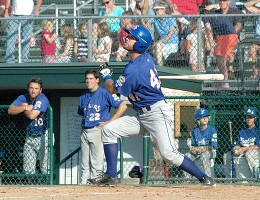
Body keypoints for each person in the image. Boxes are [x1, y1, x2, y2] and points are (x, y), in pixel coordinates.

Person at [88, 25, 216, 186]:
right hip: (142, 114)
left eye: (131, 37)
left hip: (156, 113)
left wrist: (106, 75)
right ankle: (111, 176)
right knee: (108, 130)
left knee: (169, 154)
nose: (126, 38)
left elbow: (112, 88)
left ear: (140, 44)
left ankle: (204, 178)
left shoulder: (136, 68)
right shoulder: (144, 59)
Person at [78, 69, 127, 185]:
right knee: (84, 162)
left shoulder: (105, 93)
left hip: (97, 129)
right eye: (87, 79)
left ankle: (95, 186)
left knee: (96, 162)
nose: (88, 81)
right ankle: (83, 185)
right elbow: (82, 113)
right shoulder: (83, 96)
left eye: (91, 79)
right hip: (84, 129)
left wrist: (109, 121)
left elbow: (122, 105)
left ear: (97, 80)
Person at [8, 77, 50, 176]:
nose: (33, 90)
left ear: (40, 90)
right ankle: (32, 188)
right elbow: (10, 110)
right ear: (28, 88)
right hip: (30, 135)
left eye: (36, 88)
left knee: (45, 167)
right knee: (28, 169)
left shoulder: (42, 98)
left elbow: (32, 115)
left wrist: (24, 109)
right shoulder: (23, 97)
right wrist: (24, 107)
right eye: (31, 88)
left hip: (44, 135)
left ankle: (49, 187)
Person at [203, 0, 243, 88]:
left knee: (223, 58)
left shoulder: (234, 11)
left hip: (230, 37)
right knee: (219, 59)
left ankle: (225, 83)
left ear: (228, 1)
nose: (221, 2)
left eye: (224, 1)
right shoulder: (214, 13)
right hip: (220, 38)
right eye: (220, 1)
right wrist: (212, 44)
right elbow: (209, 29)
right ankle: (223, 81)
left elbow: (239, 25)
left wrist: (229, 34)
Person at [223, 106, 259, 179]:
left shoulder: (258, 130)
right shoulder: (242, 131)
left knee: (249, 154)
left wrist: (244, 149)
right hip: (243, 151)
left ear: (255, 118)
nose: (248, 119)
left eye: (250, 117)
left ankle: (256, 177)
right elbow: (237, 144)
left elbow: (258, 146)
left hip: (254, 152)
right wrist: (237, 149)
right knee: (226, 155)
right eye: (246, 117)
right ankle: (230, 179)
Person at [184, 108, 218, 179]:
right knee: (186, 157)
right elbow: (193, 145)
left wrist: (204, 149)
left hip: (210, 151)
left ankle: (208, 178)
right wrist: (194, 149)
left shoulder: (212, 129)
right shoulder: (195, 130)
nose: (205, 119)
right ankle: (187, 180)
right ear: (198, 120)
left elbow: (213, 146)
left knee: (204, 156)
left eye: (206, 117)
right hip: (198, 151)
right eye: (202, 117)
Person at [152, 1, 179, 66]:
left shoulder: (170, 18)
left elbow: (170, 35)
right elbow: (156, 35)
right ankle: (160, 65)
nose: (156, 11)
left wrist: (158, 42)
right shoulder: (156, 20)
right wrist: (155, 43)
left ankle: (160, 68)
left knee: (157, 46)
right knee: (154, 49)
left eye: (158, 9)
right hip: (162, 43)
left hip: (172, 43)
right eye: (155, 10)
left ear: (163, 10)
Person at [244, 0, 260, 80]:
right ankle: (255, 73)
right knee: (251, 48)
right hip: (257, 40)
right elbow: (246, 5)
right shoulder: (258, 11)